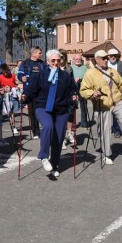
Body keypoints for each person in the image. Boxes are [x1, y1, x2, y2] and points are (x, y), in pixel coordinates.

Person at [79, 50, 122, 165]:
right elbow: (83, 90)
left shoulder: (112, 71)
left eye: (107, 58)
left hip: (116, 101)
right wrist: (92, 93)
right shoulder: (90, 73)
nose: (106, 60)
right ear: (97, 60)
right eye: (103, 58)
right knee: (105, 131)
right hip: (102, 104)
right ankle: (106, 154)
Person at [21, 49, 77, 177]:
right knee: (47, 126)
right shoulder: (40, 75)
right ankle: (44, 156)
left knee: (58, 138)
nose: (56, 63)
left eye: (58, 60)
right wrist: (25, 97)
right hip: (43, 107)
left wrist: (73, 96)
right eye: (53, 60)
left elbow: (72, 91)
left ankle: (54, 164)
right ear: (47, 61)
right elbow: (31, 91)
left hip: (60, 110)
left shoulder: (65, 76)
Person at [17, 46, 46, 138]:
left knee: (42, 110)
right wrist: (22, 77)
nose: (41, 54)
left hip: (41, 91)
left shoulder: (43, 64)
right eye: (39, 53)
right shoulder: (25, 63)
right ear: (33, 54)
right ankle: (36, 132)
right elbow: (20, 73)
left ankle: (45, 128)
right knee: (32, 112)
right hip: (30, 91)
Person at [0, 63, 19, 134]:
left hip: (12, 94)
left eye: (7, 72)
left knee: (12, 112)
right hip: (5, 96)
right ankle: (12, 126)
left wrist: (15, 88)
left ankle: (13, 126)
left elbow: (15, 84)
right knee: (8, 112)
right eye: (4, 72)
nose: (6, 74)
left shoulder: (12, 76)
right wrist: (3, 89)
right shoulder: (0, 77)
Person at [70, 53, 90, 128]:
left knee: (84, 106)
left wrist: (80, 79)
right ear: (73, 60)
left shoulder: (85, 68)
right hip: (73, 88)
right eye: (76, 59)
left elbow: (88, 78)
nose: (78, 60)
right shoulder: (70, 67)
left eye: (79, 59)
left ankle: (84, 123)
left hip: (82, 87)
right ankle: (72, 123)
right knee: (72, 106)